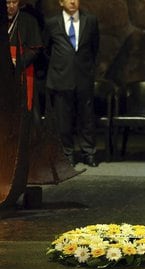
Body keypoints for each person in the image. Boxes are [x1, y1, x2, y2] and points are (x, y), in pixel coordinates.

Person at [44, 0, 99, 167]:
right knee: (63, 119)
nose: (73, 1)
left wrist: (86, 68)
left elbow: (95, 47)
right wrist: (61, 65)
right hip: (61, 78)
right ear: (61, 2)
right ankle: (67, 153)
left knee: (86, 117)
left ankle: (88, 152)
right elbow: (46, 49)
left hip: (83, 77)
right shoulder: (52, 23)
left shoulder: (90, 20)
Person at [7, 0, 42, 111]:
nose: (11, 6)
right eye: (7, 3)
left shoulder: (29, 20)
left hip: (23, 71)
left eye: (14, 2)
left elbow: (35, 49)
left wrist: (18, 62)